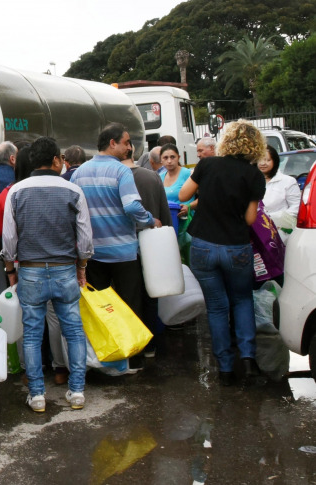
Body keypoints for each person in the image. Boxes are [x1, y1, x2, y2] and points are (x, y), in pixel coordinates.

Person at [1, 137, 93, 413]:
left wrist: (10, 271)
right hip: (65, 269)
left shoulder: (16, 192)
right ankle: (77, 391)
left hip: (30, 270)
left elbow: (8, 240)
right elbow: (86, 240)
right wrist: (82, 267)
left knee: (31, 333)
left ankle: (38, 395)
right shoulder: (73, 191)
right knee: (74, 331)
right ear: (55, 160)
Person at [178, 120, 267, 387]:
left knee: (216, 308)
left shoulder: (207, 165)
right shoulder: (254, 175)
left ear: (226, 141)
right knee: (242, 300)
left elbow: (184, 195)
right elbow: (251, 219)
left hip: (204, 245)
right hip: (236, 247)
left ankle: (225, 369)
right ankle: (249, 358)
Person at [71, 123, 159, 324]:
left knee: (102, 309)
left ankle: (108, 352)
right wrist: (151, 220)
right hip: (123, 254)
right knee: (129, 307)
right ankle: (132, 353)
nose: (129, 148)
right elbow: (132, 207)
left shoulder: (79, 173)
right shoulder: (121, 171)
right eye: (126, 143)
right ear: (112, 143)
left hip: (93, 254)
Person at [124, 141, 172, 359]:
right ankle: (151, 343)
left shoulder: (113, 177)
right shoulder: (151, 176)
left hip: (123, 247)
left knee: (128, 295)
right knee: (150, 293)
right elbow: (164, 211)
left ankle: (134, 345)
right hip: (152, 242)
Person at [258, 145, 301, 234]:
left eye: (267, 160)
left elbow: (296, 207)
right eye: (260, 160)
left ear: (275, 161)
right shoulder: (250, 181)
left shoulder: (288, 181)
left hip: (281, 231)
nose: (263, 163)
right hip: (257, 231)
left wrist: (276, 219)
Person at [160, 144, 194, 217]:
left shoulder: (189, 174)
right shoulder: (159, 177)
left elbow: (204, 197)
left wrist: (189, 206)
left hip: (188, 221)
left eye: (172, 157)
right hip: (170, 220)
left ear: (178, 157)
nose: (169, 161)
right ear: (161, 160)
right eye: (165, 158)